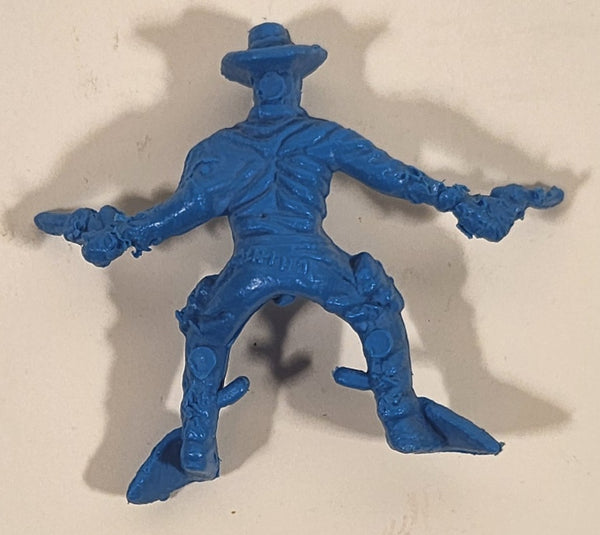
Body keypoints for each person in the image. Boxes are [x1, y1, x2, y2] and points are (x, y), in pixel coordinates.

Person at [35, 22, 563, 503]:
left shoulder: (221, 150)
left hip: (250, 264)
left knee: (207, 330)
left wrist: (124, 233)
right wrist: (458, 200)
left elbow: (178, 214)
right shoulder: (321, 137)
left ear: (253, 84)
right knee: (374, 306)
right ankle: (401, 415)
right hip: (314, 257)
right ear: (296, 81)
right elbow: (397, 178)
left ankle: (198, 439)